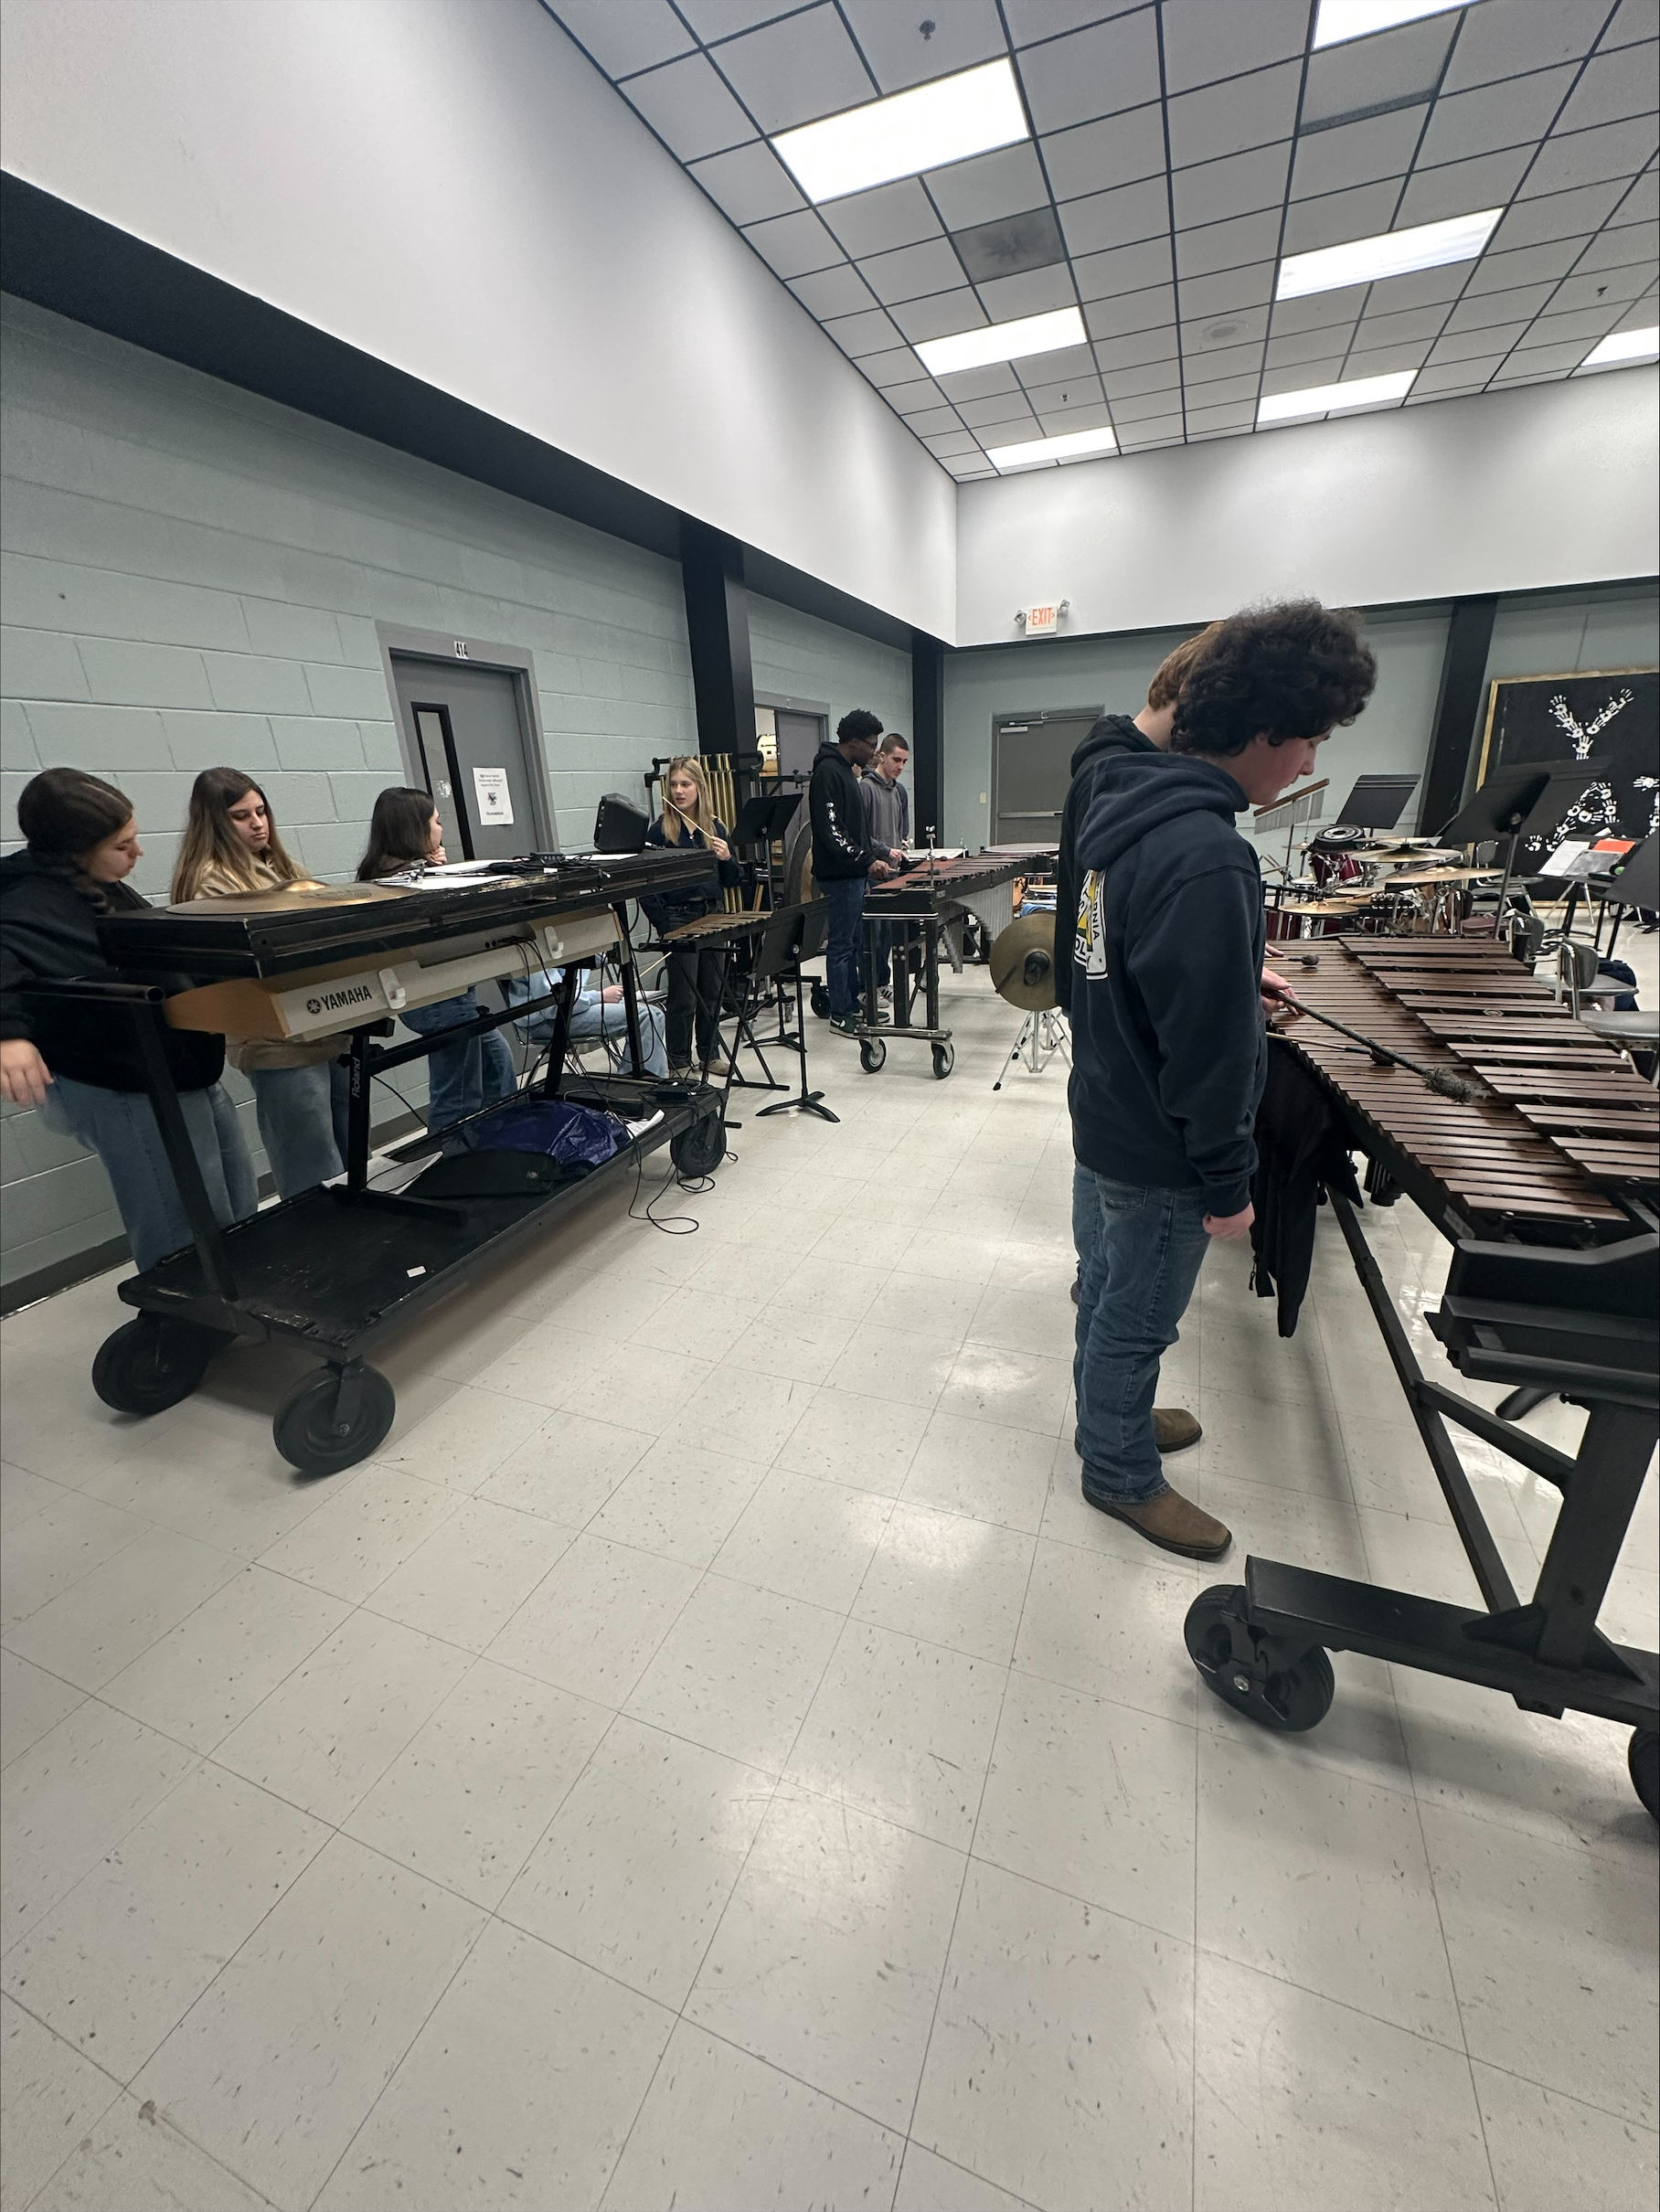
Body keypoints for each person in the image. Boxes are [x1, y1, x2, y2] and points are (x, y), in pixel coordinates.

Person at [1068, 601, 1378, 1560]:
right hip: (1163, 1146)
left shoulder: (1114, 797)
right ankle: (1116, 1467)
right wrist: (1226, 1181)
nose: (1308, 765)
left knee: (1104, 1289)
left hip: (1103, 1106)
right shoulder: (1208, 856)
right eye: (1310, 741)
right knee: (1136, 1317)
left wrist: (1233, 968)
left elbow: (1117, 956)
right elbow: (1208, 1057)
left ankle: (1109, 1414)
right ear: (1263, 731)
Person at [0, 769, 259, 1271]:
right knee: (180, 1224)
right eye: (122, 845)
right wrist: (9, 1034)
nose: (138, 853)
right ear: (75, 851)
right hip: (124, 1082)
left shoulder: (103, 886)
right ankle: (185, 1312)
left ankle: (242, 1292)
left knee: (233, 1198)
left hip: (181, 1069)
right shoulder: (23, 905)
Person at [172, 766, 350, 1198]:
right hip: (275, 1037)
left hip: (323, 1022)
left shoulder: (281, 865)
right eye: (241, 816)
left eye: (260, 811)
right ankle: (320, 1236)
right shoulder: (211, 882)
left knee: (348, 1148)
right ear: (215, 822)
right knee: (310, 1161)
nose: (257, 823)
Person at [356, 788, 518, 1133]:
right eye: (436, 821)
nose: (441, 829)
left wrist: (438, 871)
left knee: (497, 1060)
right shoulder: (398, 882)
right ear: (415, 830)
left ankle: (501, 1136)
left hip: (450, 992)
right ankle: (456, 1152)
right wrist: (439, 875)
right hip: (437, 995)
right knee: (458, 1095)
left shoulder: (403, 873)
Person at [641, 757, 740, 1077]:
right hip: (678, 917)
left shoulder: (715, 828)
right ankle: (678, 1060)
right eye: (673, 785)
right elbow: (645, 886)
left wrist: (726, 858)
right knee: (683, 996)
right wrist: (664, 923)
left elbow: (733, 880)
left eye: (685, 784)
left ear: (699, 788)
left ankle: (709, 1054)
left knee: (712, 991)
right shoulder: (659, 831)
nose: (679, 791)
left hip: (713, 914)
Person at [809, 708, 902, 1037]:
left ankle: (849, 1002)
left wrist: (874, 855)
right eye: (871, 745)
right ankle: (840, 1013)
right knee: (841, 945)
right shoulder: (828, 773)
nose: (874, 752)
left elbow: (855, 830)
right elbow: (832, 832)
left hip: (852, 874)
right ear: (853, 741)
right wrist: (866, 861)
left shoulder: (847, 772)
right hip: (839, 876)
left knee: (852, 943)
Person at [500, 967, 667, 1076]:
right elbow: (553, 1006)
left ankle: (644, 1081)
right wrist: (599, 996)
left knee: (655, 1014)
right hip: (544, 1022)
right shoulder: (539, 949)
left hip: (568, 1009)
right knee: (645, 1016)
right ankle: (637, 1089)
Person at [859, 732, 910, 1005]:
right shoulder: (866, 788)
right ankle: (867, 988)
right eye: (896, 760)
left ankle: (882, 982)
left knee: (888, 934)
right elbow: (859, 835)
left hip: (893, 875)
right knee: (872, 935)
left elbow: (902, 830)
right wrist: (884, 852)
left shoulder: (898, 791)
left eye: (904, 762)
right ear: (882, 756)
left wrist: (901, 846)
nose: (900, 766)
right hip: (872, 874)